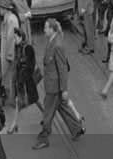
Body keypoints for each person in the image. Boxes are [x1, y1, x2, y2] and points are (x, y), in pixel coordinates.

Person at [33, 18, 84, 149]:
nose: (44, 30)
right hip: (52, 84)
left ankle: (44, 137)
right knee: (62, 107)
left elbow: (62, 69)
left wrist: (64, 89)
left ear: (52, 29)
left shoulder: (57, 45)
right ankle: (77, 128)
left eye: (45, 28)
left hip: (54, 87)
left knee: (48, 113)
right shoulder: (52, 41)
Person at [7, 28, 39, 134]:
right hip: (21, 82)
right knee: (23, 102)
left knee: (31, 100)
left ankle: (13, 125)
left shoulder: (27, 48)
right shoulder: (18, 47)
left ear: (20, 37)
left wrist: (21, 79)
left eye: (15, 37)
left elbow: (30, 66)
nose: (14, 39)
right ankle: (14, 124)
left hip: (26, 83)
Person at [0, 0, 19, 105]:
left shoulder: (11, 20)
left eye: (1, 8)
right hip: (5, 52)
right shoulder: (7, 18)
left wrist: (10, 55)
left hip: (8, 54)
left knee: (10, 76)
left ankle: (12, 99)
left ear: (6, 9)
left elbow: (11, 39)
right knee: (7, 76)